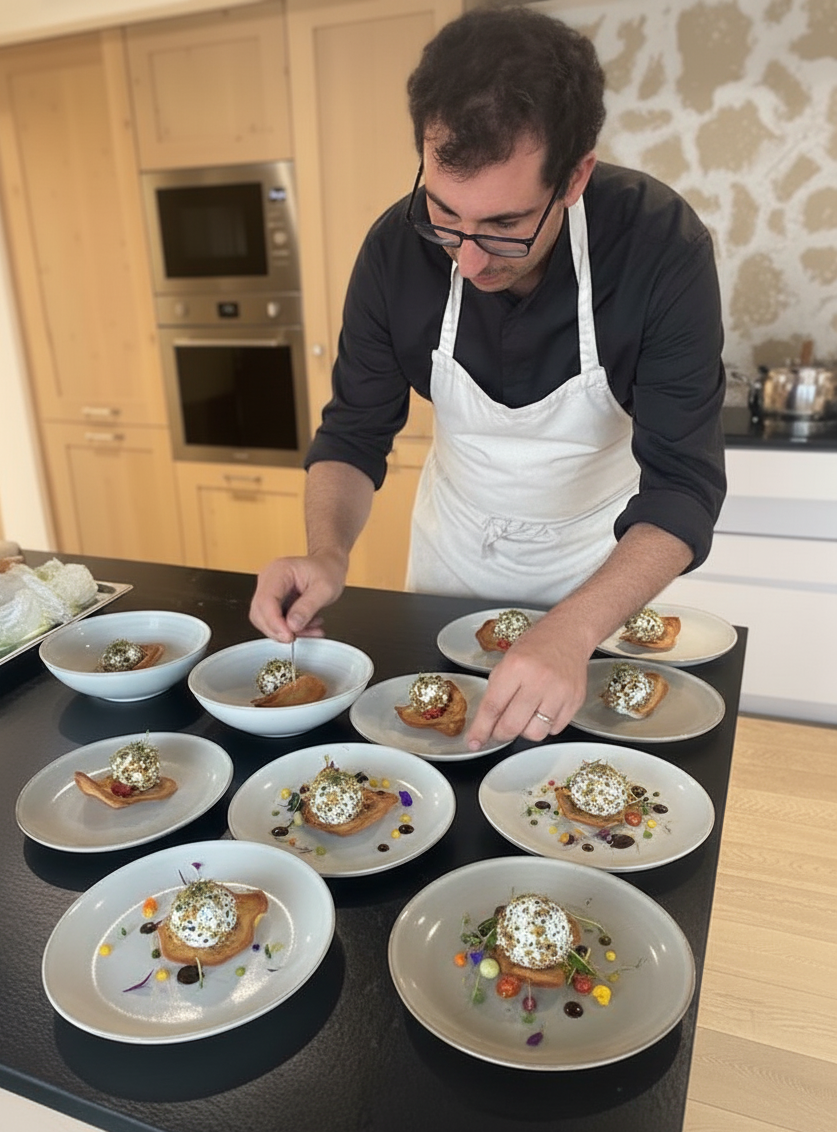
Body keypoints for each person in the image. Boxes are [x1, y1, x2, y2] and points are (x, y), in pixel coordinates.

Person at [250, 5, 726, 749]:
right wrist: (326, 552)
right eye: (444, 215)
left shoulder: (659, 247)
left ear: (574, 178)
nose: (467, 260)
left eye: (504, 226)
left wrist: (572, 629)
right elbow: (352, 432)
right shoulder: (394, 252)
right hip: (453, 560)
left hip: (597, 571)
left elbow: (684, 489)